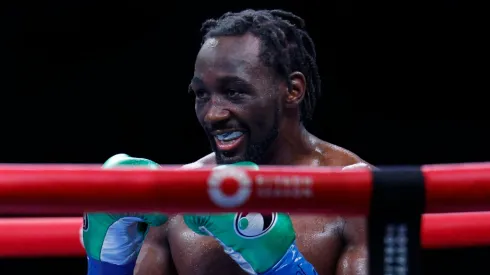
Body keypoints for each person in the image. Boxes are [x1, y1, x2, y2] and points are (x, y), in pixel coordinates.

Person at [83, 9, 369, 275]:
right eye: (202, 95)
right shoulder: (178, 198)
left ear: (292, 91)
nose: (212, 114)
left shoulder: (355, 195)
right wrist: (107, 264)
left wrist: (282, 266)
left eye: (234, 92)